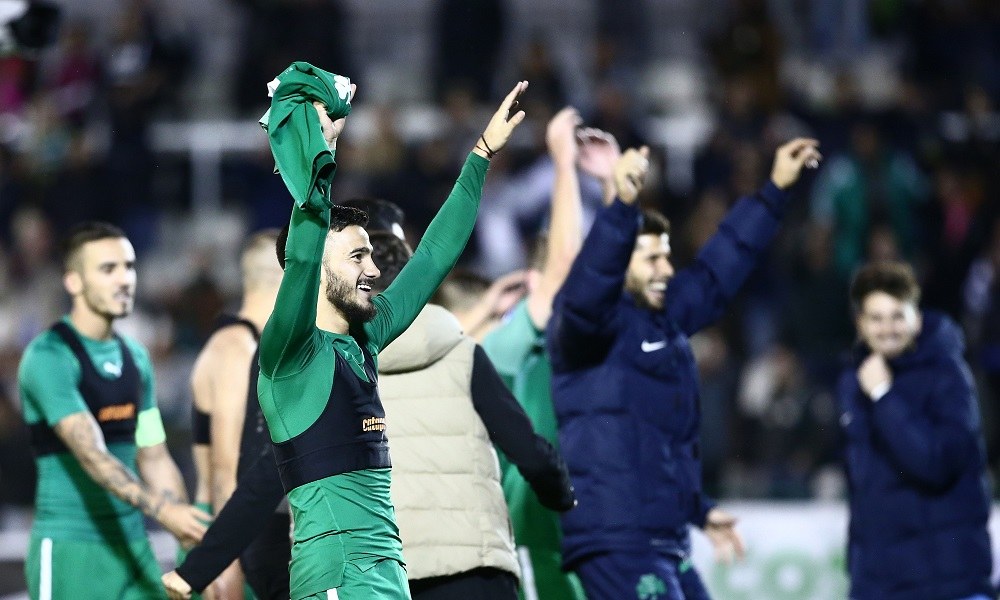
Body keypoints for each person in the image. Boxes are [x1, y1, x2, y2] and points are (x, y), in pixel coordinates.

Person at [162, 229, 575, 600]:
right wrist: (563, 496)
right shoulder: (461, 353)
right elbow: (529, 449)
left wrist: (198, 569)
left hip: (373, 570)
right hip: (465, 566)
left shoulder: (335, 365)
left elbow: (266, 480)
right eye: (359, 257)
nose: (369, 270)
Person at [258, 61, 524, 600]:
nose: (375, 270)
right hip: (338, 578)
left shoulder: (365, 339)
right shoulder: (290, 355)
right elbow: (305, 246)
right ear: (317, 269)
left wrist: (480, 155)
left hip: (387, 575)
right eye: (357, 257)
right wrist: (320, 153)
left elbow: (432, 259)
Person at [547, 139, 822, 599]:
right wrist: (621, 206)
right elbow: (588, 287)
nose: (667, 269)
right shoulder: (583, 328)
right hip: (618, 540)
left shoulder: (662, 317)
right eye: (651, 258)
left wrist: (774, 190)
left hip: (661, 537)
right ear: (619, 262)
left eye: (667, 255)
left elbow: (718, 270)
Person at [18, 221, 210, 600]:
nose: (125, 280)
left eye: (129, 267)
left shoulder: (135, 358)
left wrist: (184, 529)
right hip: (71, 550)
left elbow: (154, 455)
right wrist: (163, 511)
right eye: (108, 269)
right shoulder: (48, 356)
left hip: (132, 544)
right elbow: (92, 454)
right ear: (73, 281)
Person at [483, 106, 619, 600]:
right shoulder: (510, 341)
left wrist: (613, 187)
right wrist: (563, 163)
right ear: (537, 283)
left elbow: (620, 278)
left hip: (586, 534)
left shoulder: (587, 336)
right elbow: (565, 265)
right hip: (533, 535)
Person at [839, 261, 994, 600]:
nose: (887, 328)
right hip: (880, 587)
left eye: (898, 316)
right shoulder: (854, 382)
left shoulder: (948, 376)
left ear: (917, 319)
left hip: (948, 585)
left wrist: (884, 396)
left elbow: (936, 463)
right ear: (860, 324)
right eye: (876, 318)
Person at [185, 229, 284, 600]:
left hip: (247, 537)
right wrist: (224, 569)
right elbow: (226, 470)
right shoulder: (236, 349)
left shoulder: (254, 345)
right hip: (227, 541)